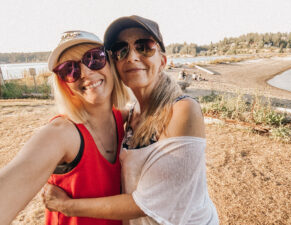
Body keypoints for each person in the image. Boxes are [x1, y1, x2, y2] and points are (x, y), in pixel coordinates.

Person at [43, 16, 219, 225]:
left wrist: (65, 206)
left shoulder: (182, 109)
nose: (132, 56)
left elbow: (146, 203)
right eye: (121, 50)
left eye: (144, 47)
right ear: (115, 65)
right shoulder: (133, 113)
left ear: (162, 60)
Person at [0, 30, 128, 225]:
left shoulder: (124, 118)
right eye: (69, 69)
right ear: (64, 84)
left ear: (110, 63)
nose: (85, 73)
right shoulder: (62, 134)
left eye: (94, 58)